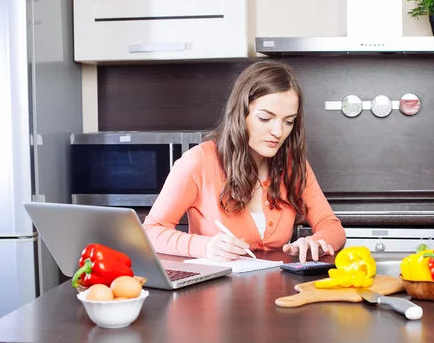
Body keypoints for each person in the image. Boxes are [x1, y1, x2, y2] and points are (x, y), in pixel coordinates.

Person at [143, 60, 346, 263]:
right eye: (265, 118)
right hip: (215, 291)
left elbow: (331, 226)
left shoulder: (294, 166)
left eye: (288, 121)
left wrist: (317, 241)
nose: (278, 132)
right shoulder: (198, 162)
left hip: (278, 291)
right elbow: (151, 231)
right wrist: (205, 246)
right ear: (241, 113)